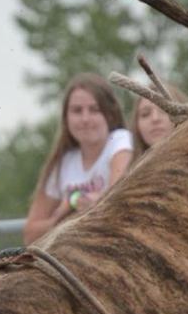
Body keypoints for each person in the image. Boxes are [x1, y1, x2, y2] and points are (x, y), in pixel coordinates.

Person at [23, 75, 133, 241]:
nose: (85, 119)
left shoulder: (120, 141)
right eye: (77, 110)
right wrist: (61, 217)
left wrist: (84, 205)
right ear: (66, 119)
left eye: (94, 110)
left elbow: (116, 205)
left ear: (110, 114)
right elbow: (30, 233)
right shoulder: (64, 162)